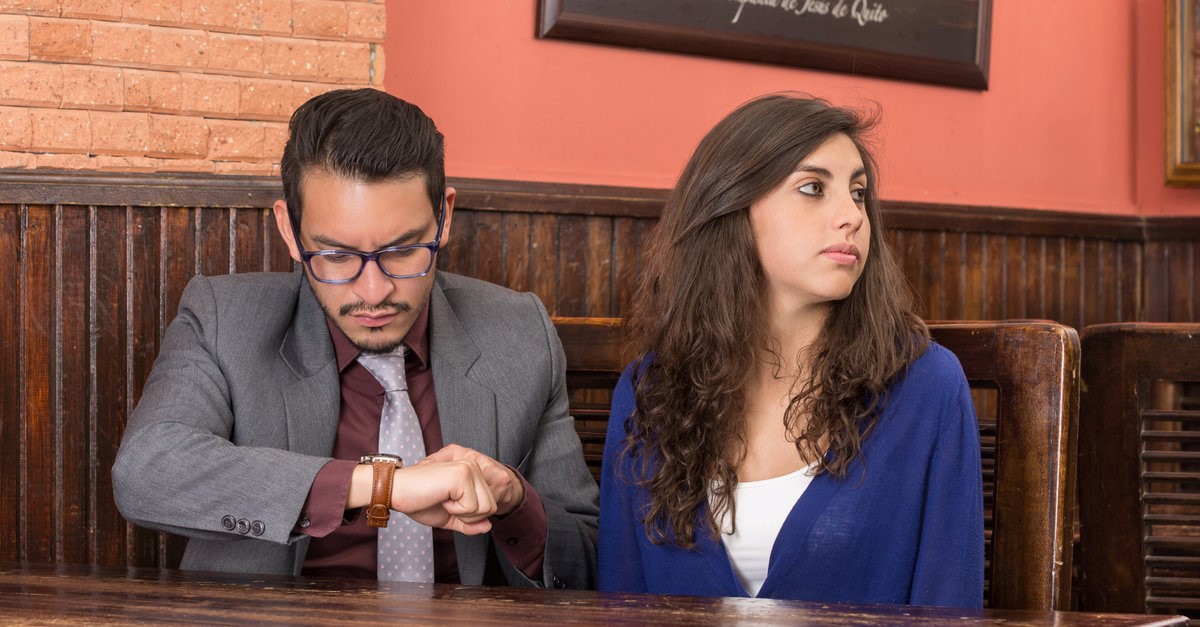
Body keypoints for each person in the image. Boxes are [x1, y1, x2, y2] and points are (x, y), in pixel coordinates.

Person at [113, 88, 598, 589]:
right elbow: (147, 471)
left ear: (445, 216)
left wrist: (515, 501)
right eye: (338, 256)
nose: (375, 291)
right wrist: (382, 486)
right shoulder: (224, 319)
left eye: (404, 250)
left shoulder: (520, 333)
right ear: (290, 230)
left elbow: (586, 558)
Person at [598, 94, 984, 607]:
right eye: (812, 188)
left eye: (859, 193)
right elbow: (619, 602)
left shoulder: (926, 387)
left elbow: (949, 603)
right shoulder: (650, 392)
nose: (852, 216)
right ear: (731, 205)